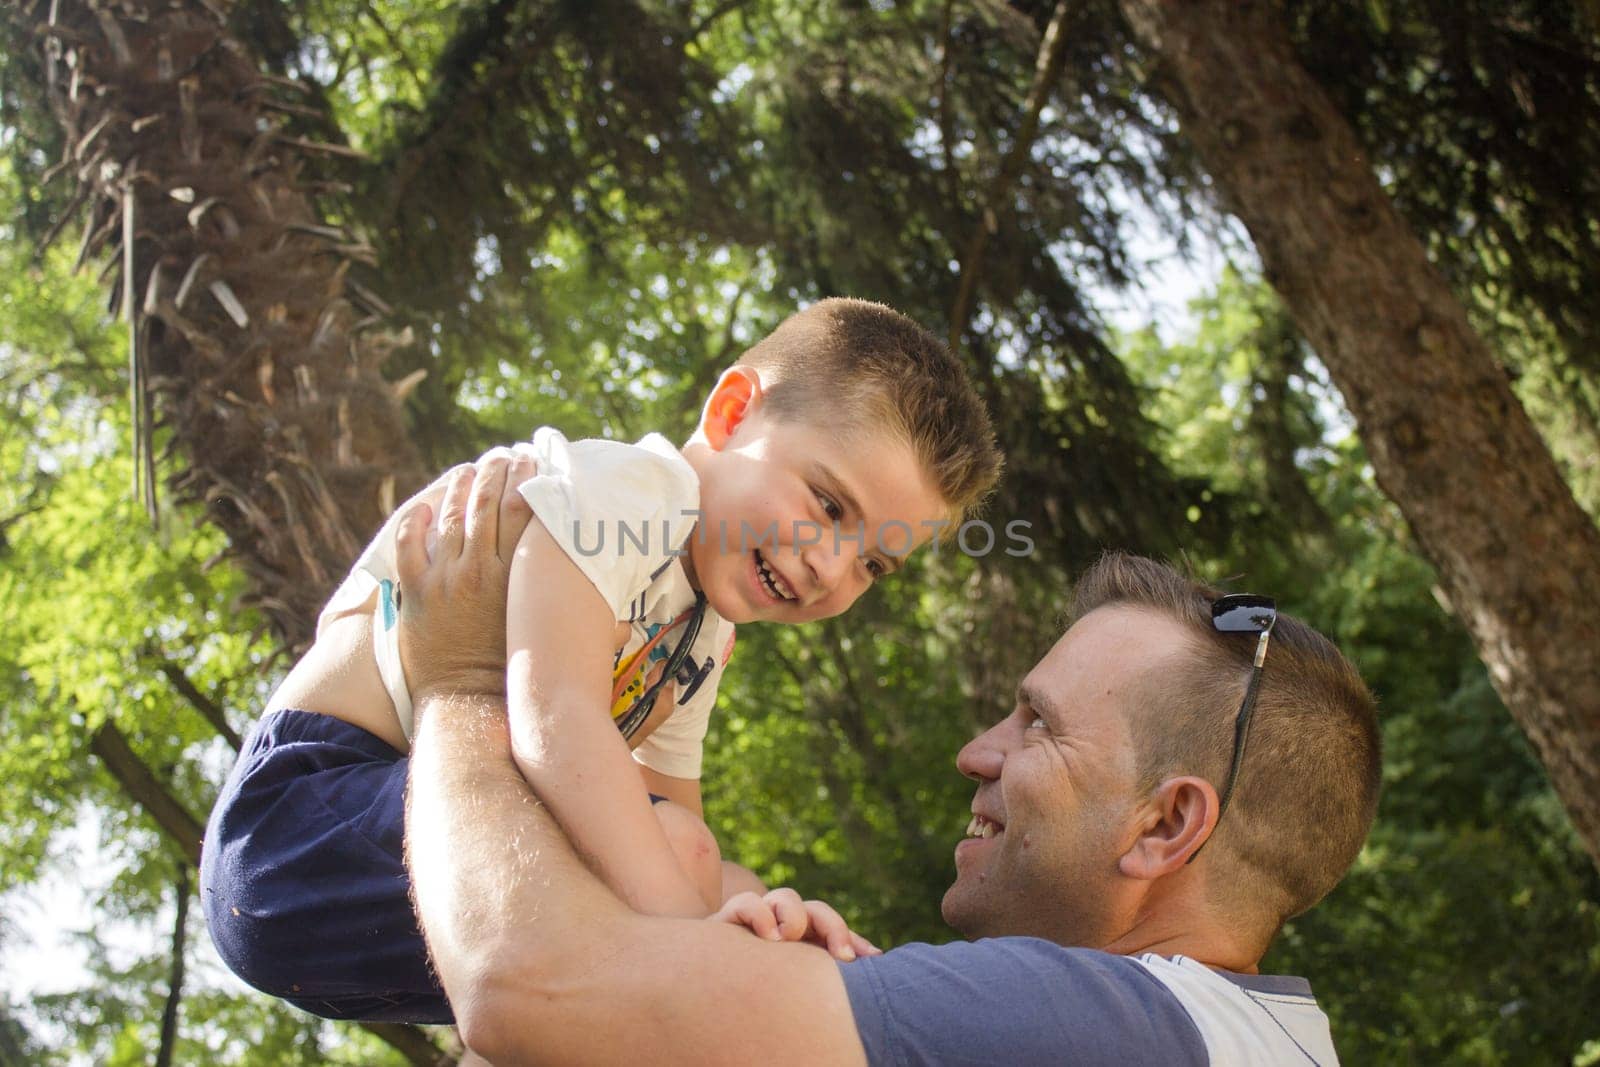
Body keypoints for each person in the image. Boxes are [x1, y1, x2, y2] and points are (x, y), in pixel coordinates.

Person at [398, 464, 1382, 1064]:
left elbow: (522, 985)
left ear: (1166, 824)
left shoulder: (1096, 1027)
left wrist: (460, 683)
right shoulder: (1250, 1042)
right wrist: (756, 971)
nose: (976, 751)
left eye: (1036, 724)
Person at [199, 298, 1002, 1022]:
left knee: (738, 891)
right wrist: (698, 942)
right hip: (301, 819)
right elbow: (556, 716)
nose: (831, 565)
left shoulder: (704, 625)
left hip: (408, 864)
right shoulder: (630, 492)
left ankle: (837, 1003)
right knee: (683, 887)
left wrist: (760, 924)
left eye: (874, 564)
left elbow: (671, 808)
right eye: (828, 505)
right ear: (730, 414)